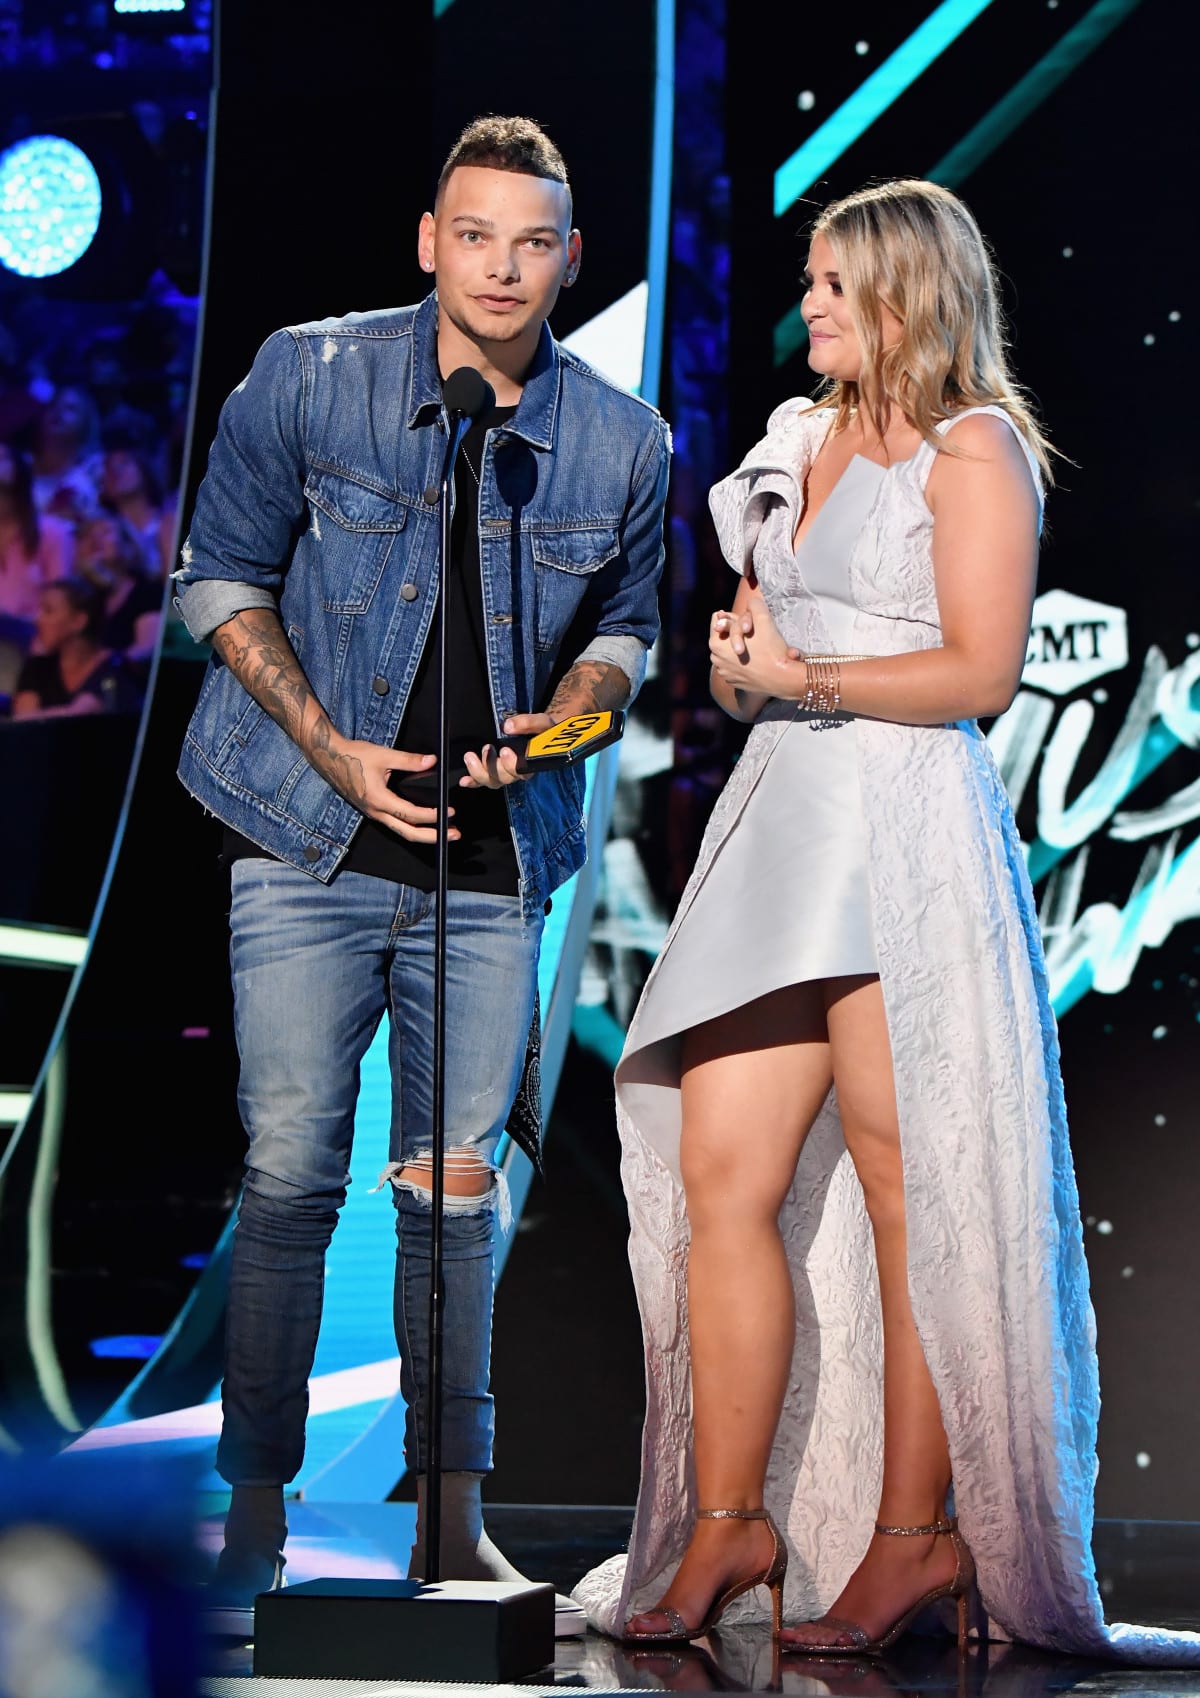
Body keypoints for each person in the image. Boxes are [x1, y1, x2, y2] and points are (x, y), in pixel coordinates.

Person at [575, 180, 1200, 1666]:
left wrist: (804, 681)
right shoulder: (795, 443)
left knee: (914, 1191)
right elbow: (751, 658)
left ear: (909, 295)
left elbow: (981, 674)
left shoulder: (977, 451)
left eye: (836, 287)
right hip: (781, 821)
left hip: (903, 826)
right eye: (810, 284)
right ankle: (726, 1513)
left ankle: (917, 1538)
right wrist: (744, 670)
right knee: (721, 1164)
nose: (811, 309)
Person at [172, 116, 670, 1607]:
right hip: (302, 835)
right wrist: (329, 744)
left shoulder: (620, 438)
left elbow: (626, 636)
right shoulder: (312, 373)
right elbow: (215, 574)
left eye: (533, 243)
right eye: (476, 235)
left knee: (455, 1190)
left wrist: (572, 723)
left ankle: (450, 1521)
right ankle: (255, 1515)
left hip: (492, 858)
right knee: (289, 1170)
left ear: (571, 258)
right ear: (427, 242)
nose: (504, 268)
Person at [11, 577, 139, 718]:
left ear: (79, 621)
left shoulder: (114, 668)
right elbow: (23, 719)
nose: (37, 619)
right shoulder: (38, 664)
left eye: (48, 611)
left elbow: (78, 717)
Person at [75, 513, 163, 665]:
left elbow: (146, 649)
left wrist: (106, 662)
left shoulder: (148, 591)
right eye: (89, 535)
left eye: (105, 532)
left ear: (128, 546)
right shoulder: (89, 600)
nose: (95, 538)